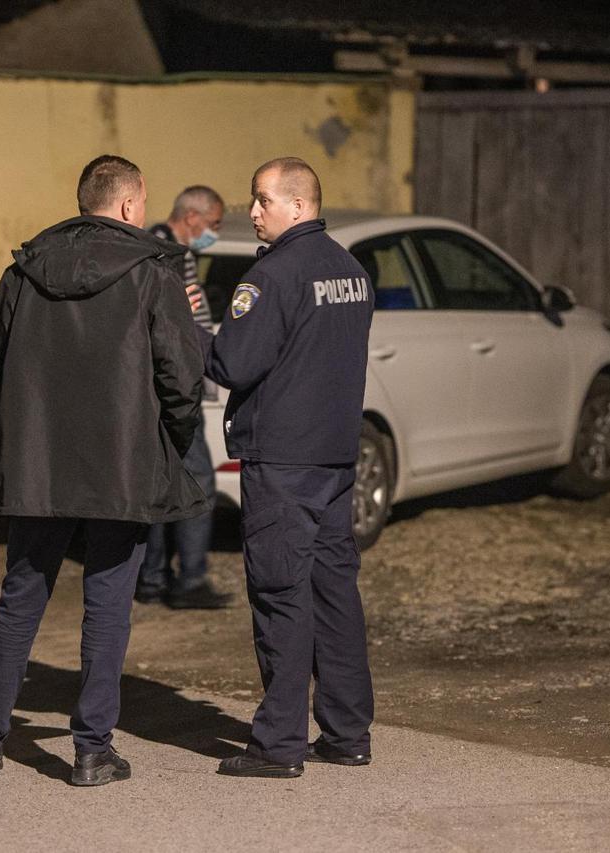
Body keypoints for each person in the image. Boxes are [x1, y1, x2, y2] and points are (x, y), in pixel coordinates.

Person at [0, 155, 209, 786]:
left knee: (21, 598)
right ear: (127, 204)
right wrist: (170, 443)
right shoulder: (153, 273)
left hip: (36, 463)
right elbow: (182, 378)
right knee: (108, 604)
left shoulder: (23, 271)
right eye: (142, 201)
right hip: (121, 464)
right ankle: (92, 750)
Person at [197, 158, 375, 778]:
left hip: (283, 460)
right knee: (334, 592)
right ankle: (347, 732)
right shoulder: (350, 271)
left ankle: (277, 744)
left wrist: (195, 335)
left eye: (262, 200)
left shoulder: (272, 275)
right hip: (335, 456)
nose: (252, 211)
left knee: (280, 594)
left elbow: (232, 363)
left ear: (298, 206)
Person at [137, 185, 233, 610]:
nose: (214, 232)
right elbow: (169, 324)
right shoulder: (168, 253)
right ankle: (190, 579)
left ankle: (152, 578)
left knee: (161, 486)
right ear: (192, 217)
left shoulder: (164, 250)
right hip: (175, 390)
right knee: (198, 481)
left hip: (162, 390)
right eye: (214, 224)